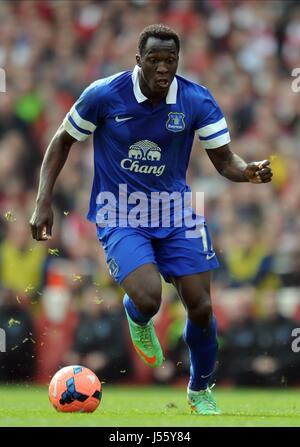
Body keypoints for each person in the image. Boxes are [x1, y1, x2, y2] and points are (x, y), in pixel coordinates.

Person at [30, 24, 273, 415]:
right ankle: (137, 316)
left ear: (178, 61)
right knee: (148, 298)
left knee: (201, 306)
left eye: (170, 60)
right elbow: (62, 139)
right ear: (138, 60)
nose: (163, 68)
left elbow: (226, 160)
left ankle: (199, 389)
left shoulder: (196, 100)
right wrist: (43, 201)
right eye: (155, 60)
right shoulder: (105, 94)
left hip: (177, 211)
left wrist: (248, 172)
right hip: (120, 209)